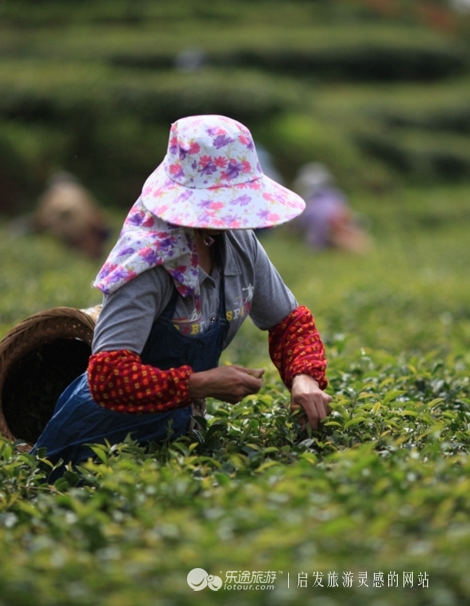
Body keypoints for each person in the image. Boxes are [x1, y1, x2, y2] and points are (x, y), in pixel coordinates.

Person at [33, 115, 332, 477]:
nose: (228, 214)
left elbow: (289, 323)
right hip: (97, 441)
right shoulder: (148, 261)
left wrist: (303, 378)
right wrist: (202, 384)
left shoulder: (237, 240)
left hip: (178, 432)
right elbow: (107, 377)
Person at [291, 162, 370, 253]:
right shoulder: (318, 213)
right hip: (310, 223)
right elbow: (313, 245)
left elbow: (352, 221)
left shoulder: (336, 198)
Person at [31, 171, 111, 259]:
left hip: (63, 236)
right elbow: (95, 217)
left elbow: (39, 220)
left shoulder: (52, 196)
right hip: (78, 232)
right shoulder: (78, 192)